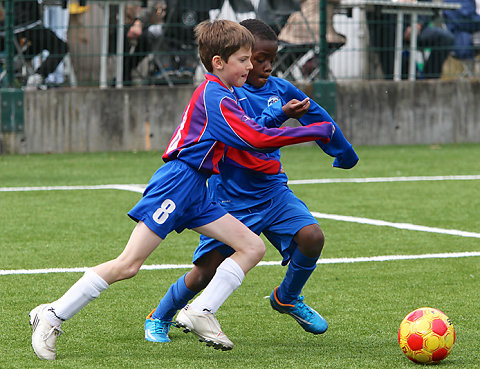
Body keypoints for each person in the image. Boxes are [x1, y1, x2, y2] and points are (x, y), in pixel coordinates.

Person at [28, 19, 336, 360]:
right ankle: (53, 313)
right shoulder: (215, 94)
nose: (251, 66)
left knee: (251, 246)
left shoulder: (226, 93)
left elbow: (253, 130)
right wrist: (314, 131)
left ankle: (201, 310)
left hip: (198, 189)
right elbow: (255, 139)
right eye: (244, 59)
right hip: (177, 184)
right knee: (128, 265)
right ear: (218, 63)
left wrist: (284, 118)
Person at [143, 18, 358, 345]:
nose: (267, 66)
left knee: (312, 237)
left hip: (273, 191)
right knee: (206, 271)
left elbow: (316, 114)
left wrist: (343, 151)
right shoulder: (224, 94)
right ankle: (160, 315)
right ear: (235, 58)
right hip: (230, 198)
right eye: (257, 59)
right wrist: (288, 123)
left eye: (272, 59)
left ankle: (287, 297)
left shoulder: (280, 89)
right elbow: (251, 136)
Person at [367, 0, 455, 79]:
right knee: (386, 36)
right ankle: (392, 83)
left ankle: (428, 81)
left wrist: (418, 24)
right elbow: (373, 9)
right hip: (388, 28)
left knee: (445, 38)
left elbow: (428, 5)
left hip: (415, 26)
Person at [0, 0, 69, 89]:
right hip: (30, 25)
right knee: (60, 46)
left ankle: (18, 63)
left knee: (34, 45)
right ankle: (39, 75)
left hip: (7, 29)